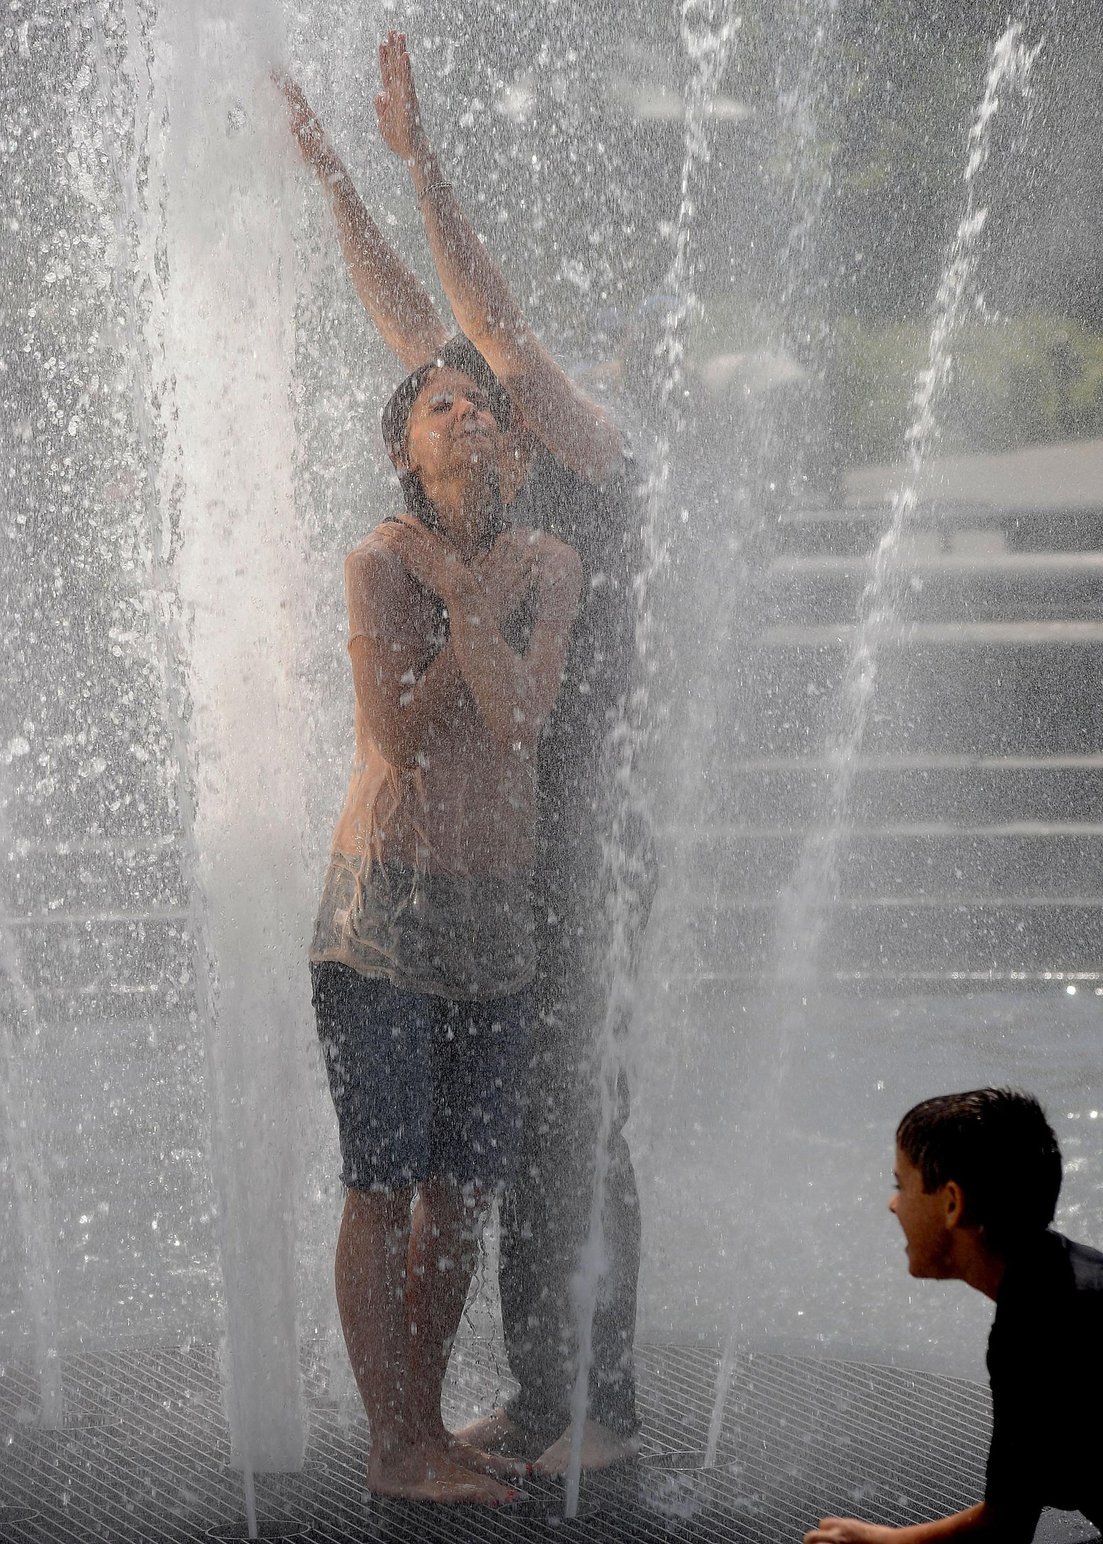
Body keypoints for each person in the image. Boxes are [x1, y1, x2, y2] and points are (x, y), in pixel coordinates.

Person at [280, 32, 654, 1475]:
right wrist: (337, 188)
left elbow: (484, 324)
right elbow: (417, 331)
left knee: (578, 1104)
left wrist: (424, 165)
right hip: (498, 826)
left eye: (497, 393)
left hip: (584, 822)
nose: (485, 395)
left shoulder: (596, 470)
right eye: (465, 401)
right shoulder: (480, 491)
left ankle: (595, 1402)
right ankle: (539, 1387)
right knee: (503, 1131)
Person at [309, 340, 583, 1502]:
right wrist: (466, 604)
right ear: (404, 448)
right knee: (382, 1178)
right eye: (441, 402)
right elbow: (396, 742)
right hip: (384, 911)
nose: (469, 412)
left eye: (486, 406)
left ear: (518, 452)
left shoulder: (552, 563)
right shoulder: (377, 562)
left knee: (463, 1184)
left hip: (497, 919)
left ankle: (423, 1424)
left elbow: (520, 720)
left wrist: (470, 599)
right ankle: (393, 1445)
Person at [805, 1088, 1103, 1544]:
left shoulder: (1037, 1334)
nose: (892, 1205)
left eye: (900, 1186)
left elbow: (1001, 1531)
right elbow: (1013, 1510)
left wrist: (874, 1539)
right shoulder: (1067, 1279)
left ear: (951, 1203)